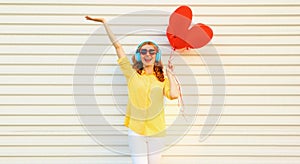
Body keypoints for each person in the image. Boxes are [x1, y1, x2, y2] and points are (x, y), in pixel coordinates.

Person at [85, 16, 179, 164]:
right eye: (143, 52)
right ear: (139, 56)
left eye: (151, 52)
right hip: (136, 131)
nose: (147, 54)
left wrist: (171, 75)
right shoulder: (132, 74)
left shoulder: (163, 79)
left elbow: (173, 95)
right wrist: (105, 23)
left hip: (157, 131)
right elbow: (118, 47)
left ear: (157, 55)